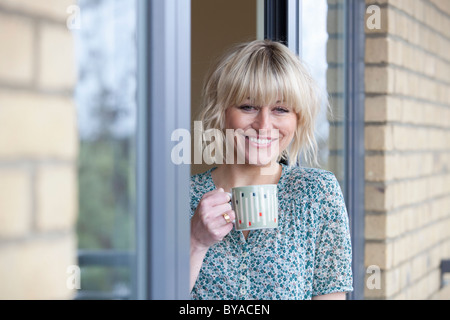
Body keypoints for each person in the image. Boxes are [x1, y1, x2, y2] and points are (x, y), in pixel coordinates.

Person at [189, 40, 353, 300]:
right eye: (248, 106)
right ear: (222, 113)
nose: (263, 125)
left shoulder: (317, 193)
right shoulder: (183, 198)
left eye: (280, 109)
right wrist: (195, 242)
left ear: (297, 119)